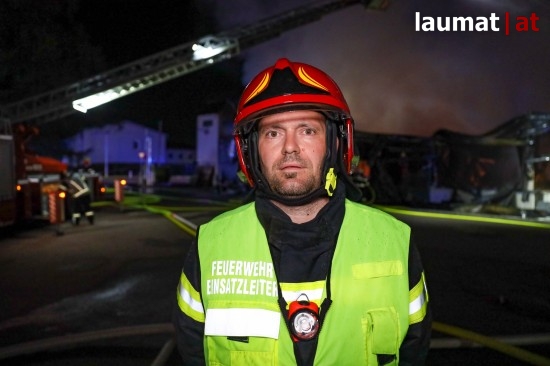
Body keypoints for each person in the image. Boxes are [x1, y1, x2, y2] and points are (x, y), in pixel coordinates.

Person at [173, 58, 432, 365]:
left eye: (307, 130)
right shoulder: (210, 245)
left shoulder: (394, 242)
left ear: (336, 144)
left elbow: (414, 353)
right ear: (250, 150)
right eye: (273, 133)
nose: (290, 148)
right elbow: (191, 353)